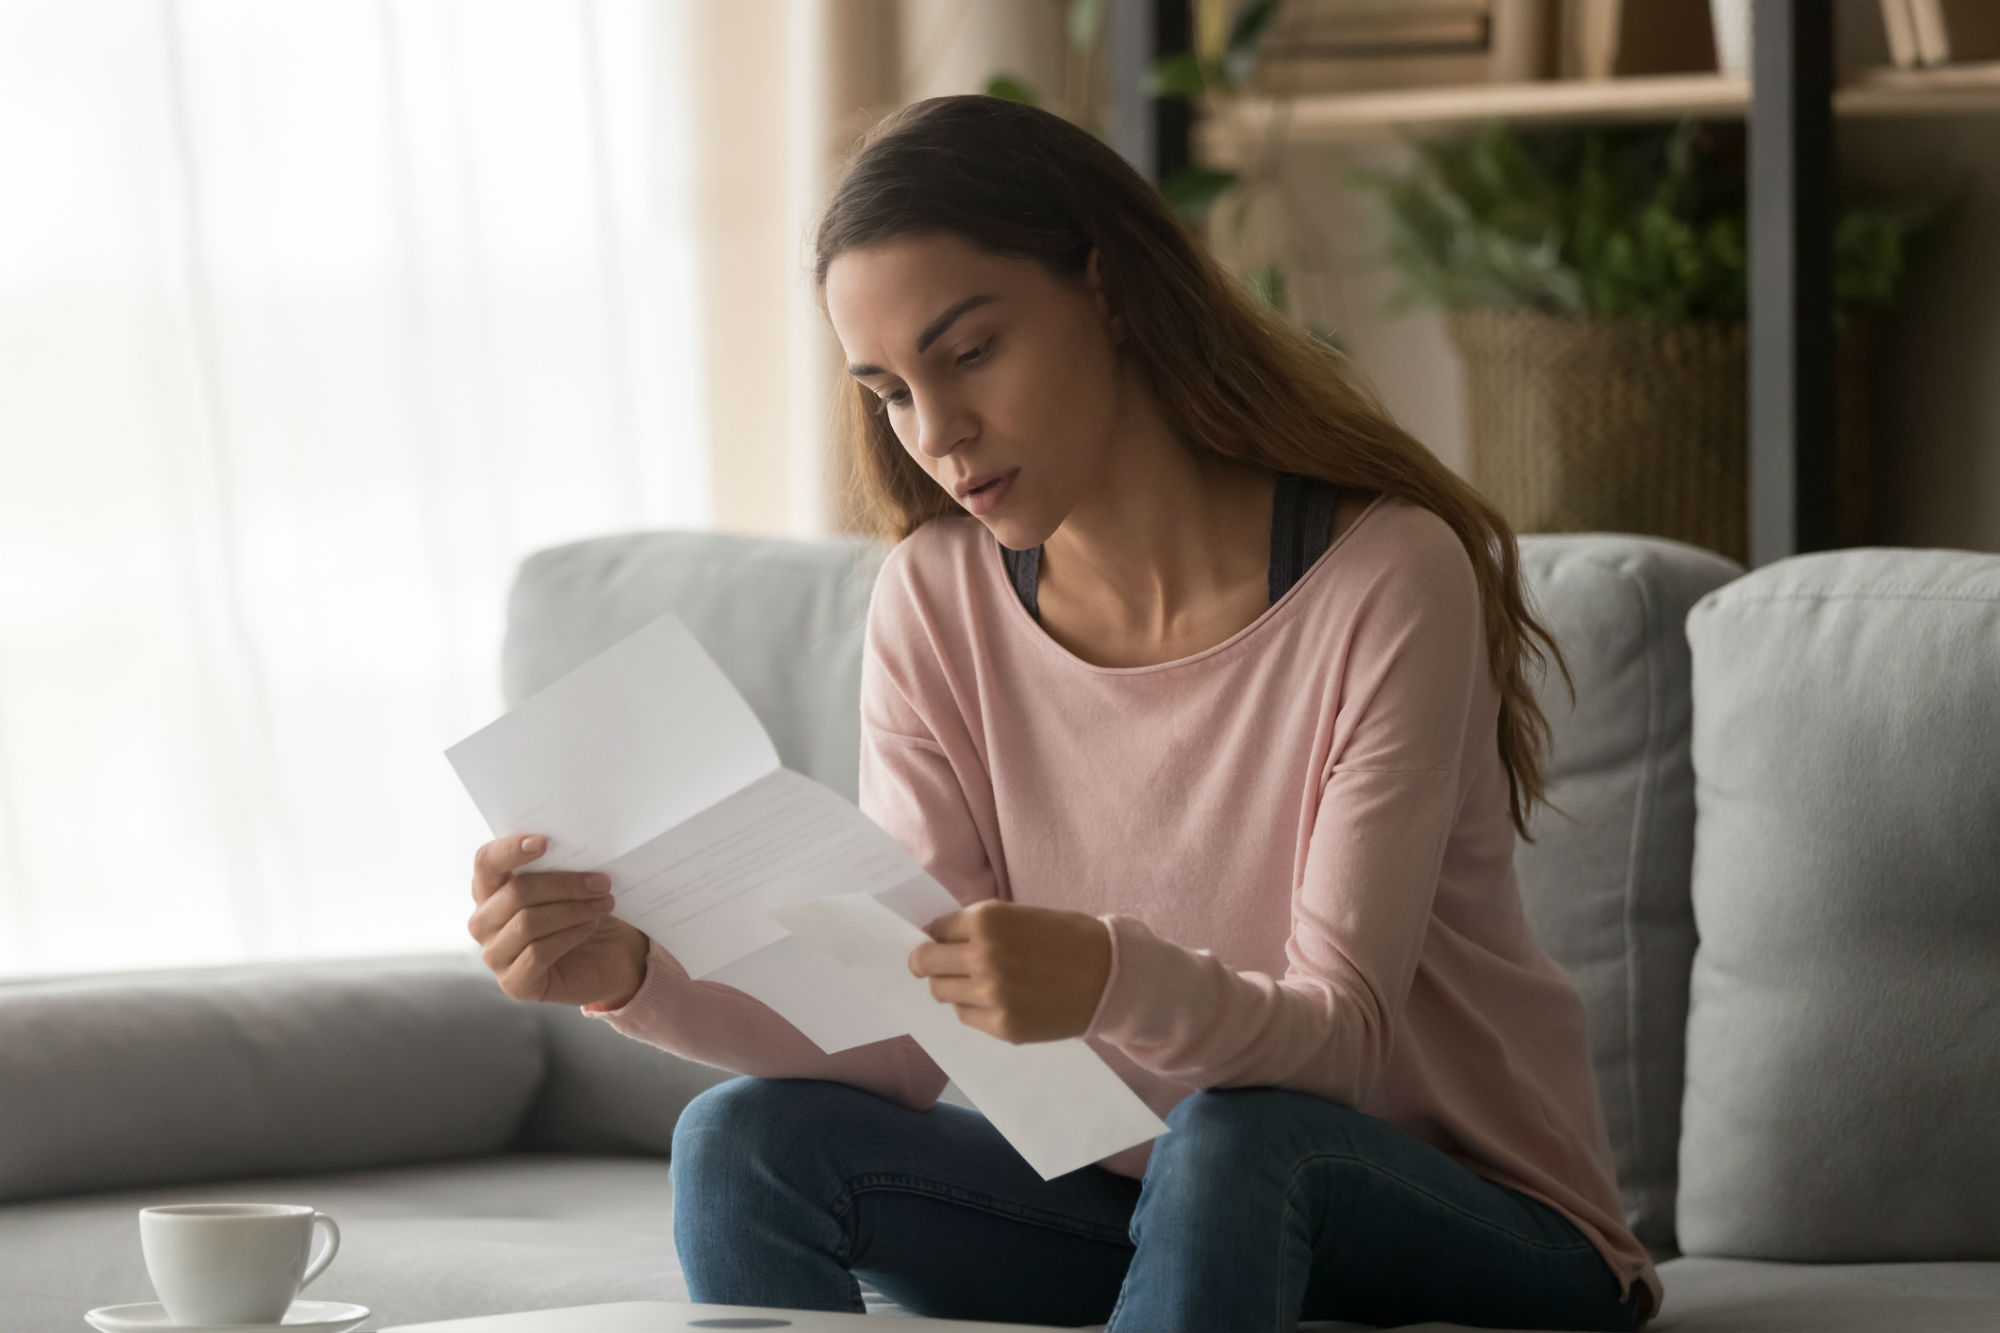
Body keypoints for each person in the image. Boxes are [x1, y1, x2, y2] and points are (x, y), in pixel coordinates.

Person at [463, 94, 1660, 1333]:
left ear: (1109, 288)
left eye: (969, 352)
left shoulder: (1383, 576)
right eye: (888, 391)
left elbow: (1339, 1044)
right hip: (1155, 1204)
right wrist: (638, 974)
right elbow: (910, 1035)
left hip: (1477, 1219)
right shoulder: (934, 599)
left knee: (1241, 1139)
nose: (938, 435)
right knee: (745, 1141)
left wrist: (1107, 977)